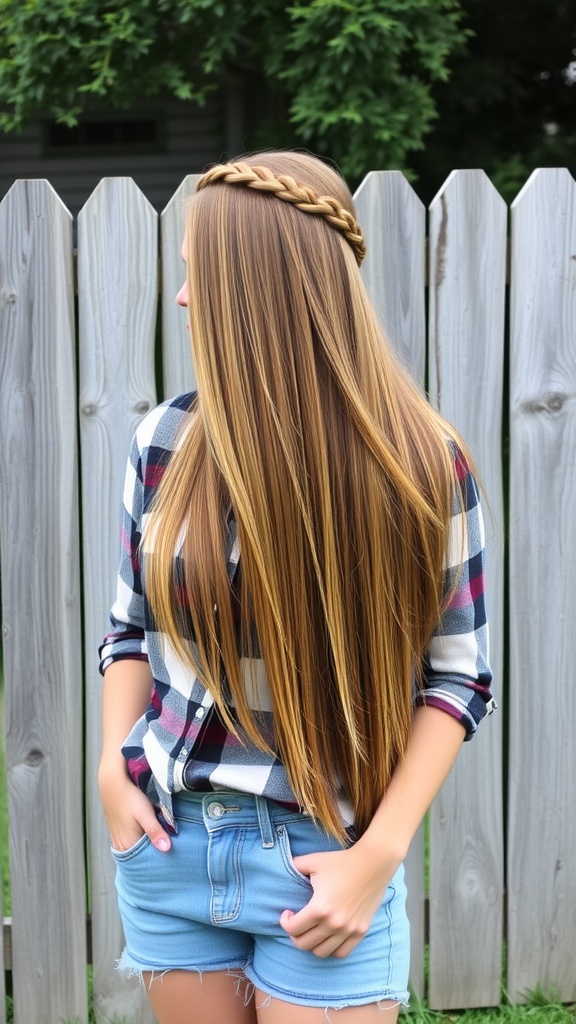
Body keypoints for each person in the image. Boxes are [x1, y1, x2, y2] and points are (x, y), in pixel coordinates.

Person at [98, 151, 494, 1024]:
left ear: (257, 289)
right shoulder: (165, 439)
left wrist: (378, 855)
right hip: (170, 842)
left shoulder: (420, 463)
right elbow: (128, 631)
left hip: (325, 855)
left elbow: (458, 677)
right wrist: (109, 769)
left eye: (196, 275)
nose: (181, 298)